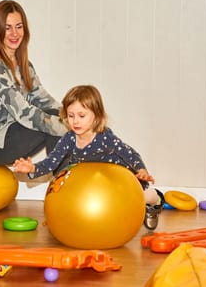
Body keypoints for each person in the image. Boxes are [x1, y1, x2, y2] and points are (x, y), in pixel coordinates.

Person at [13, 85, 165, 230]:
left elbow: (128, 153)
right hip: (91, 184)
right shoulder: (69, 139)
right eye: (71, 116)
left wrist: (141, 169)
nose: (75, 121)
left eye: (81, 116)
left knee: (142, 197)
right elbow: (51, 163)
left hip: (116, 181)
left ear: (96, 115)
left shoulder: (105, 136)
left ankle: (155, 202)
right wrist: (32, 168)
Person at [0, 0, 67, 167]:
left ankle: (64, 178)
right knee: (53, 124)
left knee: (57, 116)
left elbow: (45, 101)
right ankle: (61, 182)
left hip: (10, 134)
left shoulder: (25, 66)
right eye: (7, 28)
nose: (14, 33)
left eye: (19, 26)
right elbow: (22, 112)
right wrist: (67, 127)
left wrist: (71, 118)